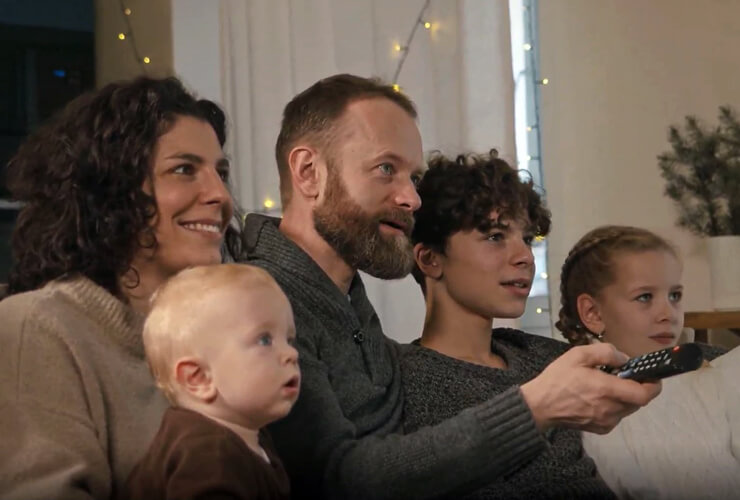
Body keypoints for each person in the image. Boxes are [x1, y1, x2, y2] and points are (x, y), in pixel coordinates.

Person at [243, 73, 660, 500]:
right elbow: (337, 480)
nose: (412, 199)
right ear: (308, 172)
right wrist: (535, 409)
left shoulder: (348, 301)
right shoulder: (260, 302)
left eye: (412, 177)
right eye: (386, 169)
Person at [0, 76, 241, 500]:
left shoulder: (221, 337)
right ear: (110, 190)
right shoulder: (36, 327)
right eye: (184, 169)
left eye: (220, 173)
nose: (220, 195)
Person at [401, 150, 615, 499]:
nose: (525, 257)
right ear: (430, 259)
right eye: (495, 236)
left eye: (527, 239)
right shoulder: (404, 382)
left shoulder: (541, 356)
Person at [556, 225, 739, 499]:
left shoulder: (714, 377)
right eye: (644, 297)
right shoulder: (587, 403)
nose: (668, 314)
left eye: (675, 296)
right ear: (593, 313)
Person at [125, 264, 298, 499]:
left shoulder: (251, 435)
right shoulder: (205, 455)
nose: (291, 354)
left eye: (289, 339)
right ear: (199, 378)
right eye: (264, 340)